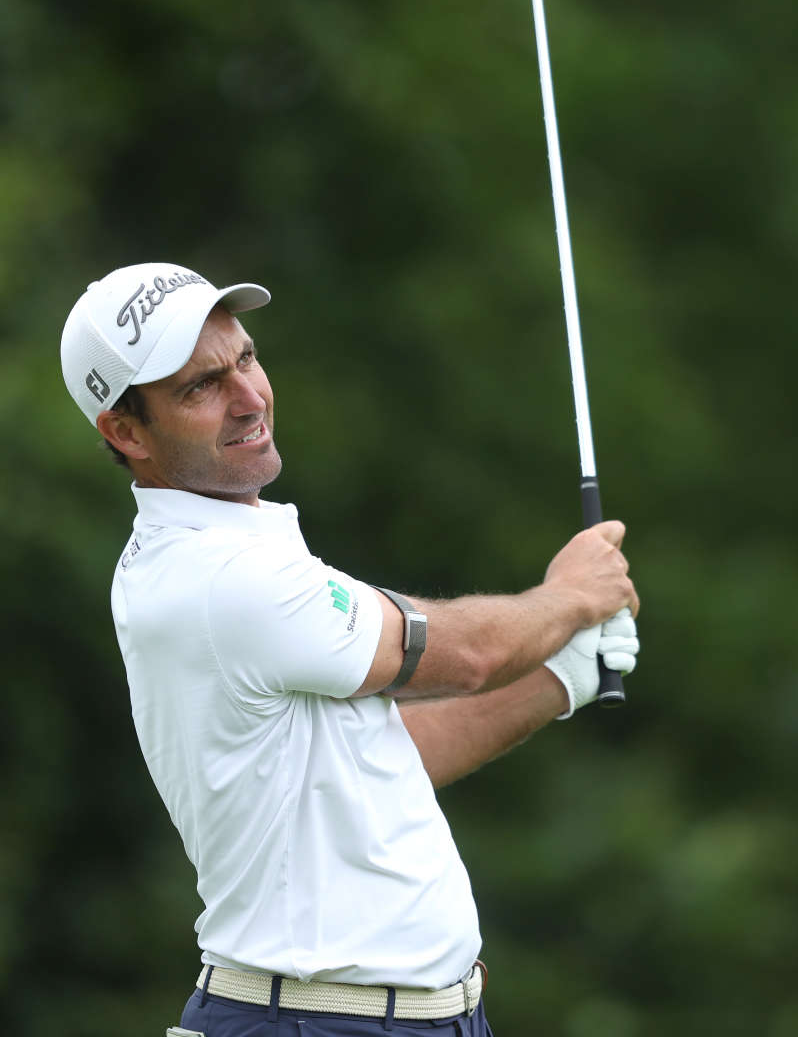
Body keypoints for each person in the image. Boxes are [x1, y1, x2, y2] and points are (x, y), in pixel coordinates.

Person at [59, 263, 641, 1037]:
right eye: (200, 388)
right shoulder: (223, 576)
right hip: (316, 1022)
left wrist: (560, 676)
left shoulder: (239, 555)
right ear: (126, 431)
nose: (249, 398)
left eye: (246, 360)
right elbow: (463, 657)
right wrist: (570, 597)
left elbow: (384, 761)